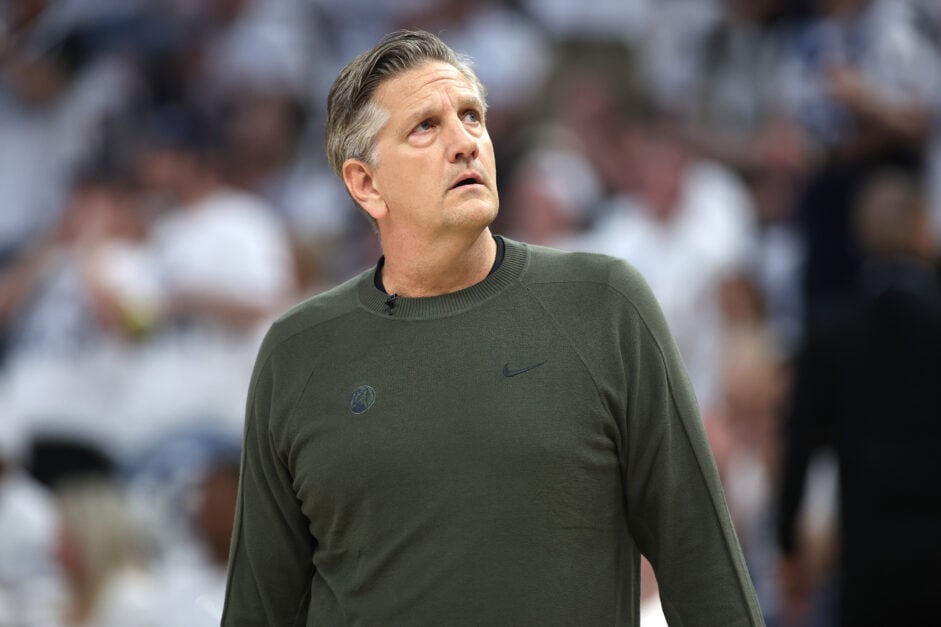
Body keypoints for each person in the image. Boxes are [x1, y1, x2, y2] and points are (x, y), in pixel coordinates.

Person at [222, 30, 763, 625]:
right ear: (365, 184)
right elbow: (260, 608)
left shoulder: (605, 304)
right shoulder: (297, 352)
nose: (464, 143)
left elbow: (706, 576)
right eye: (425, 127)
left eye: (472, 117)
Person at [776, 169, 941, 626]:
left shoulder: (831, 331)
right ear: (921, 229)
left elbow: (799, 443)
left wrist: (788, 544)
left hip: (865, 562)